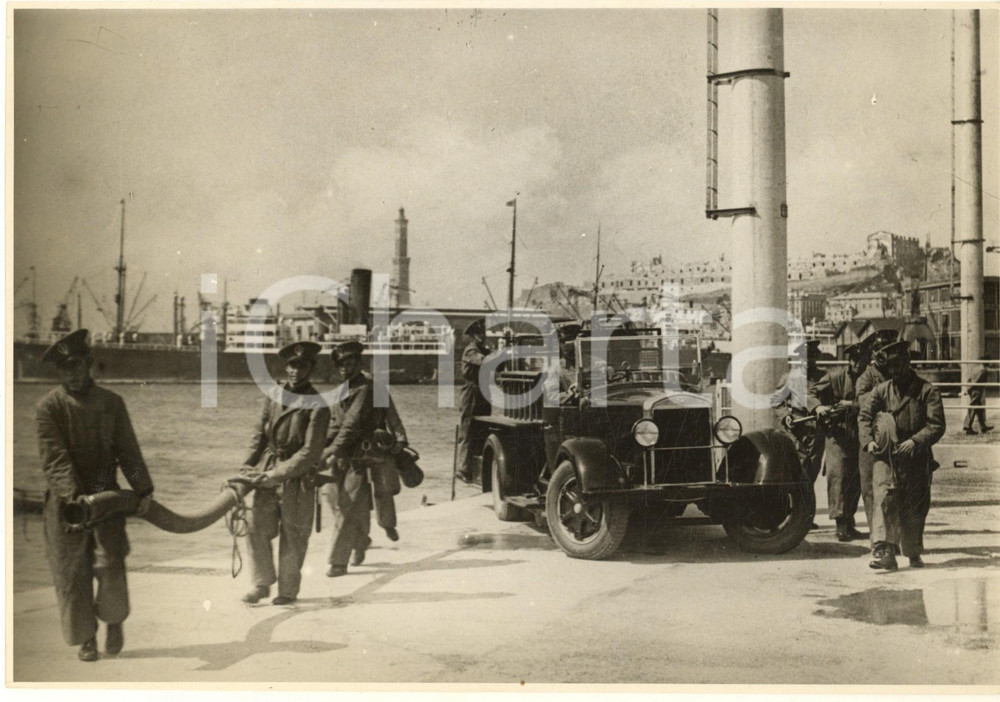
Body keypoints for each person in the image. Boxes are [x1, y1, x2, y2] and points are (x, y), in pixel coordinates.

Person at [35, 329, 155, 661]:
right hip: (67, 506)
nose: (71, 374)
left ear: (88, 364)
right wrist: (74, 498)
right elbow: (54, 458)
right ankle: (86, 637)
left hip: (107, 499)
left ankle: (114, 622)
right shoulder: (49, 408)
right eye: (64, 368)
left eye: (76, 365)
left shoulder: (112, 403)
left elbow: (128, 451)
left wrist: (143, 489)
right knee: (72, 572)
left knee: (111, 564)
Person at [241, 341, 330, 605]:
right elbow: (258, 437)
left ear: (311, 368)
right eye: (291, 365)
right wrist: (245, 468)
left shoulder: (318, 405)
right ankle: (261, 583)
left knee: (294, 534)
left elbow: (310, 453)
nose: (295, 371)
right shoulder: (272, 397)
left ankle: (287, 591)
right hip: (268, 470)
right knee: (255, 526)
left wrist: (276, 475)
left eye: (301, 366)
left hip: (298, 478)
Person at [858, 340, 946, 571]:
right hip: (886, 457)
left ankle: (912, 552)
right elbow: (864, 416)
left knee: (914, 506)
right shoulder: (881, 390)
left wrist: (915, 441)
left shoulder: (927, 390)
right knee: (884, 501)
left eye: (898, 366)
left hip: (916, 458)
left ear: (908, 363)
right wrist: (868, 442)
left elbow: (936, 424)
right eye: (890, 368)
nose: (895, 372)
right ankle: (884, 552)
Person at [321, 341, 407, 577]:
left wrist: (400, 439)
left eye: (349, 363)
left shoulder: (367, 389)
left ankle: (339, 561)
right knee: (335, 500)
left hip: (364, 454)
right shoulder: (340, 391)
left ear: (358, 363)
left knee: (368, 498)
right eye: (340, 364)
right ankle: (360, 541)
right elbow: (334, 424)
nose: (344, 368)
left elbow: (353, 425)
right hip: (342, 455)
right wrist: (316, 445)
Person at [809, 342, 867, 542]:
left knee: (855, 480)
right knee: (838, 479)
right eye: (856, 360)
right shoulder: (835, 377)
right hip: (837, 435)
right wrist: (818, 408)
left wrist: (851, 405)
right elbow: (811, 393)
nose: (859, 364)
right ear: (850, 361)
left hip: (860, 434)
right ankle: (841, 525)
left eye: (863, 360)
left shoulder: (870, 378)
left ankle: (849, 523)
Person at [854, 328, 901, 546]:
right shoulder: (867, 376)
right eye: (881, 350)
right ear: (874, 353)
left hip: (896, 438)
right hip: (873, 437)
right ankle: (878, 538)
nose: (885, 355)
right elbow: (863, 402)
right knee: (872, 489)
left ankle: (895, 538)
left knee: (898, 488)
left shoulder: (898, 373)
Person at [772, 339, 825, 484]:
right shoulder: (790, 378)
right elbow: (776, 401)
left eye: (813, 356)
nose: (809, 361)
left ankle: (807, 503)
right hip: (797, 427)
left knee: (812, 471)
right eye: (806, 357)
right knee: (798, 468)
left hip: (817, 429)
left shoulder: (823, 377)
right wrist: (785, 416)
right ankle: (797, 503)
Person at [455, 319, 492, 483]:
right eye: (479, 334)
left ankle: (477, 469)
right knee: (468, 430)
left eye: (483, 333)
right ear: (474, 336)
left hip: (482, 392)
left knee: (482, 429)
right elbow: (484, 361)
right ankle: (463, 468)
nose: (482, 336)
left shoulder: (482, 350)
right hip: (471, 393)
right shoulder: (471, 351)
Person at [963, 355, 994, 435]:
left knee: (979, 409)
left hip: (974, 390)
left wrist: (968, 388)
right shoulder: (983, 370)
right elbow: (975, 382)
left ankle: (983, 427)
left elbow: (969, 379)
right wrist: (967, 390)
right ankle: (967, 426)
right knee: (973, 407)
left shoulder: (976, 368)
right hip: (976, 391)